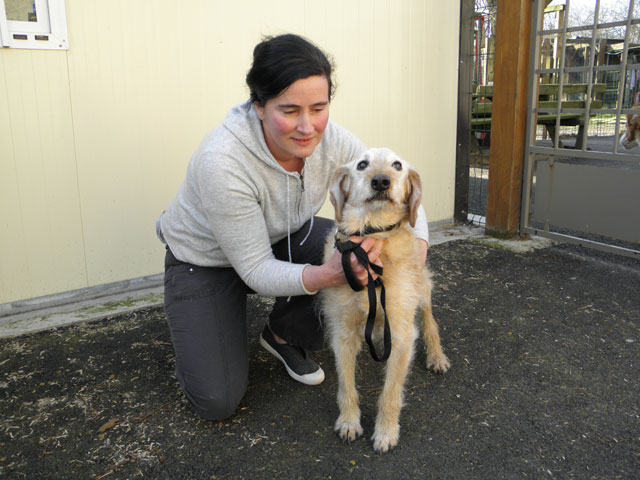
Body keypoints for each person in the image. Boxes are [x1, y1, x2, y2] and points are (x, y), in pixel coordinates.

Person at [156, 33, 430, 421]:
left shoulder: (332, 139)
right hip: (205, 261)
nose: (307, 127)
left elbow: (397, 183)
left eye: (318, 108)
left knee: (347, 263)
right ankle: (209, 314)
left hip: (286, 236)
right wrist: (328, 274)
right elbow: (253, 269)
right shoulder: (222, 162)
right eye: (289, 110)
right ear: (259, 107)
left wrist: (418, 245)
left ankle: (282, 332)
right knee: (217, 401)